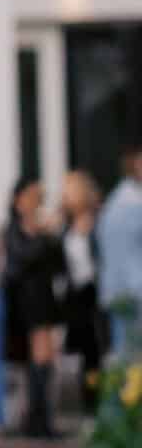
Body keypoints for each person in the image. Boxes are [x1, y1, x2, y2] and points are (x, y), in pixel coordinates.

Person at [1, 178, 65, 439]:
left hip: (42, 298)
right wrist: (43, 235)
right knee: (28, 360)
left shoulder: (44, 229)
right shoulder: (15, 230)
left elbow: (58, 262)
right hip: (22, 299)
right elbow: (24, 257)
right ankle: (32, 418)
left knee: (44, 358)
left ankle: (41, 417)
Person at [59, 170, 106, 406]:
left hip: (96, 293)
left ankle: (103, 405)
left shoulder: (100, 222)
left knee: (100, 351)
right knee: (86, 354)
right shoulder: (65, 227)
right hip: (76, 296)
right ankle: (90, 406)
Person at [100, 143, 142, 359]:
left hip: (119, 289)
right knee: (132, 359)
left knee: (126, 359)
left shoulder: (116, 201)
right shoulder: (130, 203)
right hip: (134, 292)